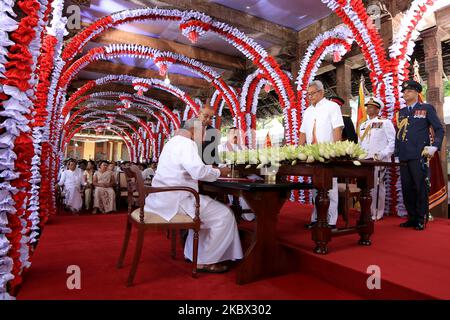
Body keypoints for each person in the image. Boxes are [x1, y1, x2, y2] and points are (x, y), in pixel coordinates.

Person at [144, 118, 243, 273]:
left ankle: (194, 255)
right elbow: (198, 172)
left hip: (162, 198)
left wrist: (209, 169)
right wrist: (220, 171)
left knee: (207, 214)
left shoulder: (172, 142)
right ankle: (205, 262)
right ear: (194, 130)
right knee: (224, 215)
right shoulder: (187, 144)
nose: (203, 137)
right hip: (177, 200)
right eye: (203, 132)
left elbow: (193, 168)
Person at [395, 80, 444, 231]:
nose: (405, 94)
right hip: (404, 156)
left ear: (417, 93)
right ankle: (412, 218)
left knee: (420, 187)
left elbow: (439, 129)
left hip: (419, 155)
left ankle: (421, 218)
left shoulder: (426, 108)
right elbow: (399, 135)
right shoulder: (402, 112)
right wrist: (397, 154)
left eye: (409, 91)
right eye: (404, 91)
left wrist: (434, 146)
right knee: (407, 188)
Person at [300, 80, 344, 229]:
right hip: (311, 154)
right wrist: (299, 150)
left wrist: (336, 151)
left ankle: (331, 221)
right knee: (315, 187)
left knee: (330, 188)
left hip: (328, 153)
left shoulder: (332, 106)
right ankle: (316, 218)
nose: (309, 97)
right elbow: (303, 132)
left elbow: (338, 128)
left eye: (312, 93)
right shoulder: (307, 111)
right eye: (308, 94)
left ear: (321, 92)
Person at [359, 97, 395, 221]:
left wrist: (383, 155)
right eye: (367, 106)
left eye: (371, 106)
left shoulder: (385, 122)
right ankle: (367, 211)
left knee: (377, 186)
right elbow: (360, 143)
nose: (368, 108)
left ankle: (377, 213)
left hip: (378, 159)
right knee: (366, 187)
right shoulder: (363, 125)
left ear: (377, 109)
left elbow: (392, 142)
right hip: (364, 160)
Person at [218, 127, 256, 222]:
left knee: (256, 180)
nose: (235, 136)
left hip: (244, 173)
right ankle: (239, 210)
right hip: (229, 174)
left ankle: (253, 210)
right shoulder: (221, 147)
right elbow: (221, 164)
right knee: (236, 183)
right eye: (233, 134)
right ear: (228, 135)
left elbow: (250, 162)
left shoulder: (244, 147)